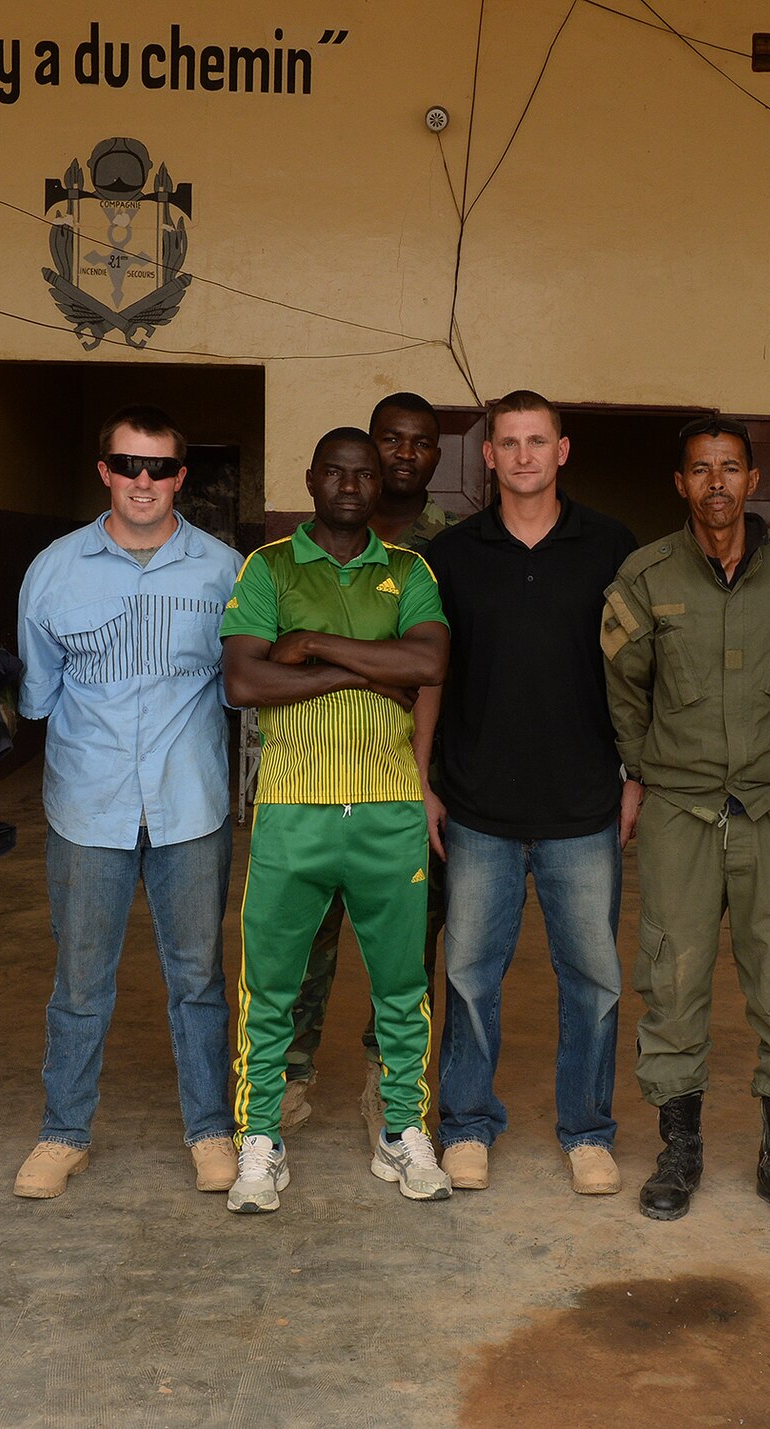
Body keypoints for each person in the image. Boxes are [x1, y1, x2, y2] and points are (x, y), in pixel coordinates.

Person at [602, 416, 770, 1228]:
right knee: (672, 978)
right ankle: (679, 1150)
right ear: (680, 483)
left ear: (754, 480)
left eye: (731, 467)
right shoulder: (645, 574)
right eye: (700, 469)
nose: (717, 484)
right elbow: (625, 688)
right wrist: (648, 767)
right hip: (681, 811)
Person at [13, 405, 242, 1199]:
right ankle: (63, 1132)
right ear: (104, 470)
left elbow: (243, 688)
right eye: (128, 465)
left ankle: (212, 1130)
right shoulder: (52, 570)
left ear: (181, 476)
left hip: (191, 808)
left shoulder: (225, 570)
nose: (143, 481)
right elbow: (38, 696)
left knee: (199, 977)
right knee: (80, 981)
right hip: (88, 808)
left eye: (160, 468)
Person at [220, 427, 450, 1213]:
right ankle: (260, 1138)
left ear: (378, 486)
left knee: (402, 983)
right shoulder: (269, 566)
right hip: (292, 805)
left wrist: (313, 646)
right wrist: (366, 670)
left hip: (388, 807)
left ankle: (402, 1129)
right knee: (270, 984)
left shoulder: (410, 569)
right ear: (312, 477)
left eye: (364, 474)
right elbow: (244, 681)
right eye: (336, 472)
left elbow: (426, 665)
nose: (350, 484)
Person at [424, 390, 637, 1194]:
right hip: (477, 806)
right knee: (471, 972)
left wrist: (636, 776)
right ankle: (469, 1124)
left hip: (584, 807)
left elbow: (640, 672)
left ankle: (587, 1129)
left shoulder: (612, 546)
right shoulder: (452, 555)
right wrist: (424, 783)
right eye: (507, 442)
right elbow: (431, 678)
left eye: (535, 441)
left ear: (562, 450)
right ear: (487, 456)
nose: (521, 455)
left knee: (593, 978)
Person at [282, 393, 455, 1138]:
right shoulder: (296, 554)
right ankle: (287, 1071)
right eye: (391, 438)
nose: (403, 454)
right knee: (303, 931)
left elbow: (432, 666)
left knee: (407, 938)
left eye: (420, 443)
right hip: (315, 775)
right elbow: (262, 664)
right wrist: (367, 668)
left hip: (414, 768)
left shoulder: (448, 546)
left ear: (437, 457)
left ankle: (389, 1077)